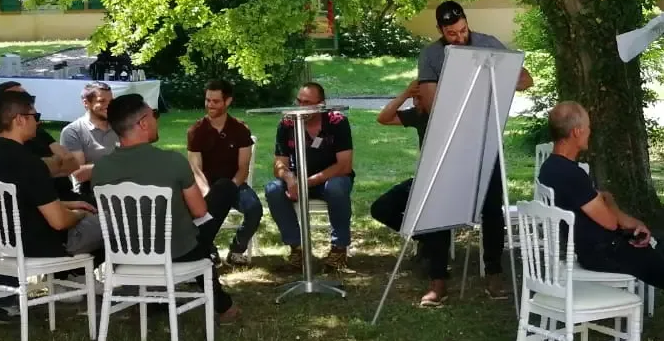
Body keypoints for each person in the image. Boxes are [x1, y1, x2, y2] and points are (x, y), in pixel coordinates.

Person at [408, 1, 533, 296]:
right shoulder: (431, 55)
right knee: (440, 207)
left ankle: (494, 271)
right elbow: (431, 103)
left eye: (462, 29)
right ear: (440, 30)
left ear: (467, 22)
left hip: (485, 138)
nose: (459, 36)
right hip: (448, 140)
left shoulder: (488, 44)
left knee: (492, 206)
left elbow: (526, 80)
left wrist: (501, 77)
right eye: (451, 33)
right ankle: (438, 278)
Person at [93, 94, 241, 322]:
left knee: (195, 235)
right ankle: (221, 302)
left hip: (126, 255)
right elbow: (200, 211)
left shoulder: (101, 169)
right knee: (224, 190)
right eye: (154, 114)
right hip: (177, 252)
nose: (157, 120)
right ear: (143, 123)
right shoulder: (172, 161)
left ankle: (216, 301)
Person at [369, 79, 511, 305]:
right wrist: (405, 94)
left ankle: (492, 273)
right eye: (416, 98)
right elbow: (383, 118)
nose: (417, 102)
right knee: (382, 208)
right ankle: (429, 246)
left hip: (470, 177)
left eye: (421, 98)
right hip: (431, 178)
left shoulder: (461, 115)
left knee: (491, 209)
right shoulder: (420, 115)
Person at [0, 89, 104, 321]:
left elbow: (19, 202)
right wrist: (79, 214)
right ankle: (122, 282)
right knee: (117, 223)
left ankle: (73, 279)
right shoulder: (28, 163)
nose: (39, 122)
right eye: (35, 116)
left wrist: (68, 203)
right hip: (41, 244)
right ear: (20, 119)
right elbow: (59, 221)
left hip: (4, 243)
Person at [537, 101, 664, 297]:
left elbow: (593, 202)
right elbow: (611, 222)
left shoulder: (549, 168)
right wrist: (611, 203)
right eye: (588, 127)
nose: (590, 132)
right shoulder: (571, 174)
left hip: (591, 248)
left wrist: (618, 212)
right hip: (603, 253)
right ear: (577, 132)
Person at [265, 82, 355, 270]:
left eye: (307, 103)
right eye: (299, 101)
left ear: (321, 104)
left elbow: (344, 165)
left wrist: (306, 183)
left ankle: (339, 249)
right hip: (297, 181)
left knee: (337, 187)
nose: (301, 106)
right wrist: (290, 179)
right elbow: (279, 164)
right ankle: (297, 249)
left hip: (330, 179)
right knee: (273, 189)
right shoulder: (287, 123)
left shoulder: (337, 122)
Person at [186, 80, 262, 266]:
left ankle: (237, 250)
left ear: (227, 101)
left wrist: (230, 189)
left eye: (215, 101)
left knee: (254, 208)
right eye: (207, 100)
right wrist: (208, 193)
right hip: (206, 186)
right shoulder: (196, 131)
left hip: (235, 184)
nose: (210, 105)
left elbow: (243, 167)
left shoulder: (240, 129)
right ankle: (208, 250)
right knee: (195, 210)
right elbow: (195, 168)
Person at [0, 81, 83, 197]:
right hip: (47, 202)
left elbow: (72, 163)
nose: (28, 102)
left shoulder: (38, 133)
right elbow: (28, 172)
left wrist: (42, 167)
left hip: (64, 195)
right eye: (19, 98)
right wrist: (50, 164)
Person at [59, 81, 118, 199]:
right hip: (91, 195)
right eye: (102, 101)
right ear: (86, 103)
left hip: (124, 190)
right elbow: (79, 173)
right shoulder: (73, 131)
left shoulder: (120, 126)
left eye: (111, 101)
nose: (109, 105)